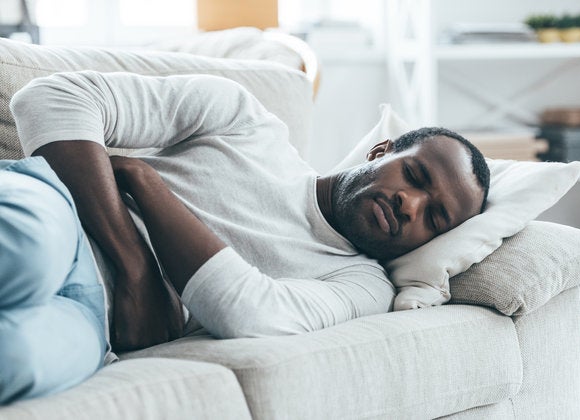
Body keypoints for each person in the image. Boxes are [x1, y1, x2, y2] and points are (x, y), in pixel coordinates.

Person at [1, 70, 490, 404]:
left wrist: (144, 180)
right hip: (60, 215)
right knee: (23, 250)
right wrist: (134, 264)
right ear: (378, 152)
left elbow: (249, 312)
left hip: (93, 326)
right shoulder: (245, 121)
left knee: (16, 360)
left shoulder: (362, 286)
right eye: (415, 176)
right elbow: (52, 97)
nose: (411, 204)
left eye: (436, 217)